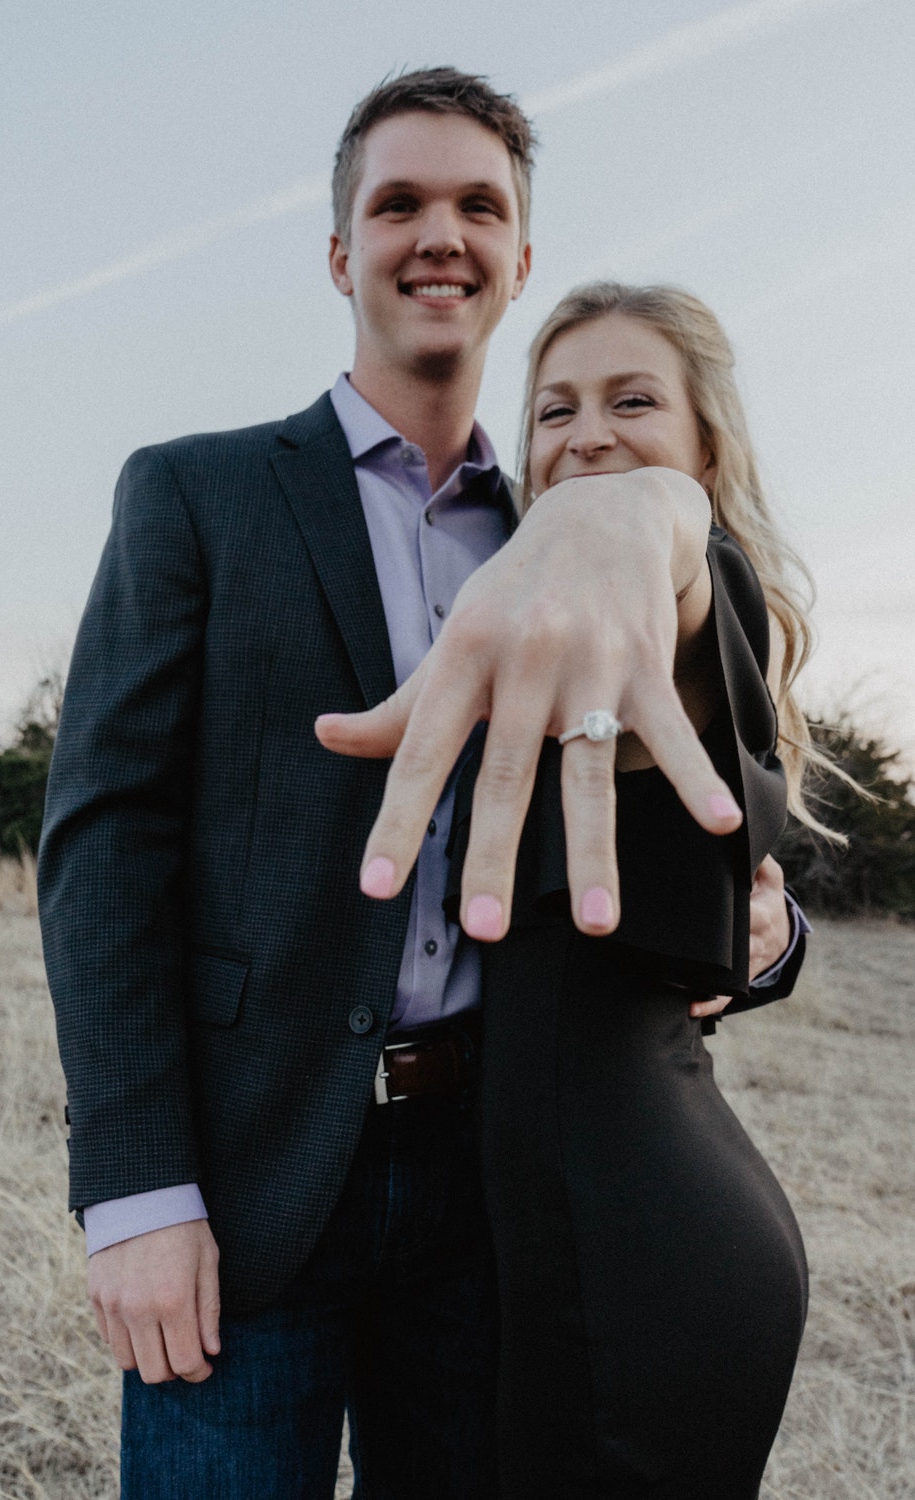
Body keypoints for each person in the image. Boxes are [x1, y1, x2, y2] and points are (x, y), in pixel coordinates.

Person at [39, 71, 804, 1499]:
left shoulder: (580, 526)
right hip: (253, 1180)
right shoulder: (195, 495)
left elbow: (713, 812)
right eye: (397, 203)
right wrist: (135, 1193)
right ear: (341, 253)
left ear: (521, 256)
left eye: (479, 206)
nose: (437, 233)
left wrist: (774, 931)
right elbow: (103, 845)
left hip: (500, 1193)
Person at [459, 283, 817, 1497]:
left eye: (633, 401)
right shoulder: (535, 625)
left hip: (642, 1268)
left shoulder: (687, 594)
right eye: (554, 409)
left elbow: (671, 555)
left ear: (704, 445)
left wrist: (654, 513)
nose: (588, 435)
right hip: (584, 1238)